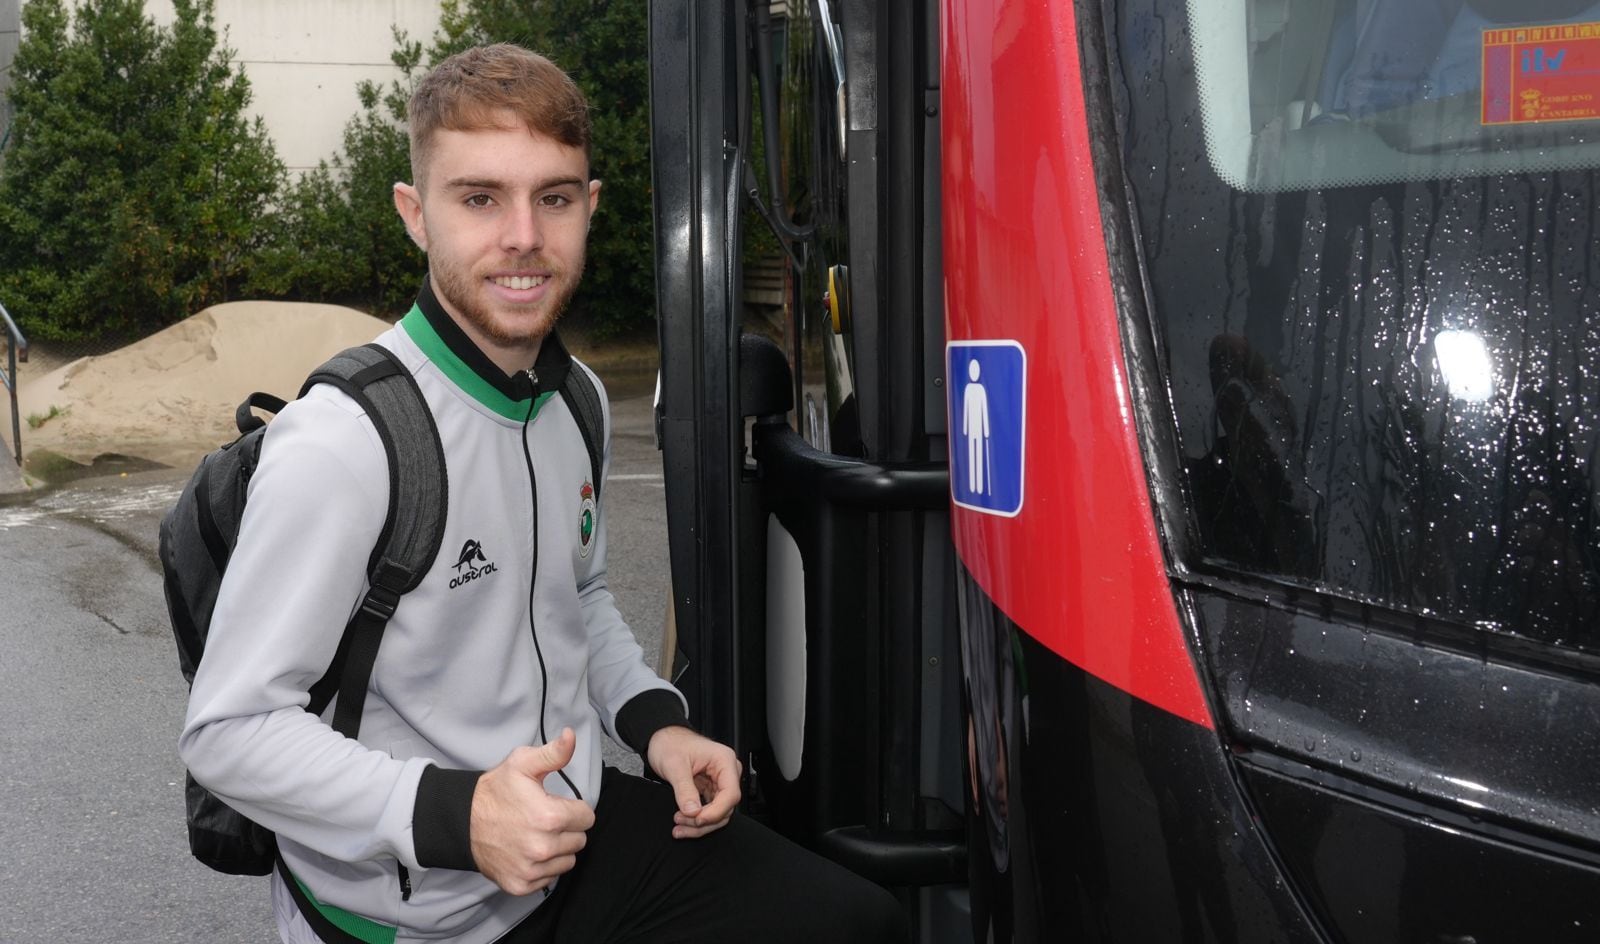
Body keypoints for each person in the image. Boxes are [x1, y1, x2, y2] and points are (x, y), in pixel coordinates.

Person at [180, 43, 906, 944]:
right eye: (480, 198)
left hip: (568, 847)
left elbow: (581, 597)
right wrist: (458, 813)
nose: (523, 235)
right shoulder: (346, 442)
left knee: (860, 923)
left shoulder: (577, 401)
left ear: (588, 209)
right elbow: (229, 732)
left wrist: (654, 728)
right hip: (411, 915)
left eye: (554, 197)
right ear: (416, 215)